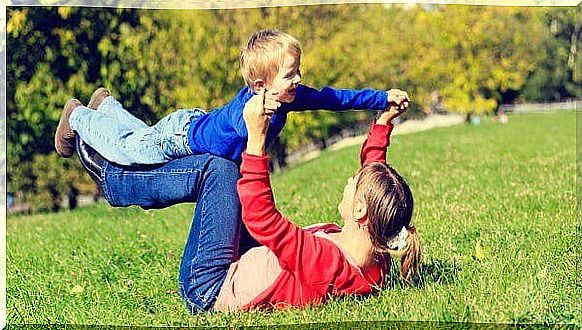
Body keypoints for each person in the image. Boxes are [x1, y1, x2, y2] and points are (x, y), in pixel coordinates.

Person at [74, 89, 420, 313]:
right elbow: (376, 177)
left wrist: (257, 139)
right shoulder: (375, 253)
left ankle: (115, 181)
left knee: (218, 168)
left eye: (353, 185)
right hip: (248, 256)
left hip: (211, 286)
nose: (349, 182)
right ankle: (113, 120)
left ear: (361, 209)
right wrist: (382, 125)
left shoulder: (328, 262)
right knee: (223, 157)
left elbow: (262, 219)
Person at [55, 29, 409, 166]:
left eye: (297, 70)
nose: (298, 79)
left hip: (189, 121)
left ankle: (107, 106)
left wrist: (381, 98)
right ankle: (78, 116)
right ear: (259, 85)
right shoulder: (245, 113)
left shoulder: (287, 96)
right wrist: (255, 117)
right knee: (128, 151)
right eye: (290, 74)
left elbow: (334, 98)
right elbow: (235, 140)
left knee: (139, 136)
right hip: (179, 139)